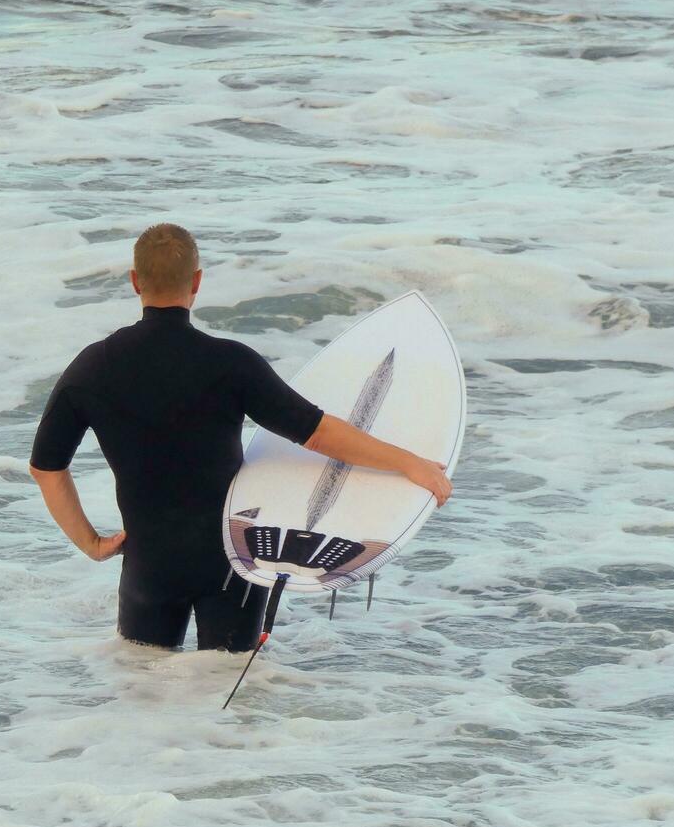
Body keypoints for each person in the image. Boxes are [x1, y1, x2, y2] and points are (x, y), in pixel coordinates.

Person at [28, 223, 452, 652]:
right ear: (197, 282)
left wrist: (92, 543)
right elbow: (318, 433)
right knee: (233, 698)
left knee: (144, 696)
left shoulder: (92, 368)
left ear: (135, 282)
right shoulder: (230, 364)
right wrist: (408, 462)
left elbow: (45, 468)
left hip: (149, 567)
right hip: (232, 566)